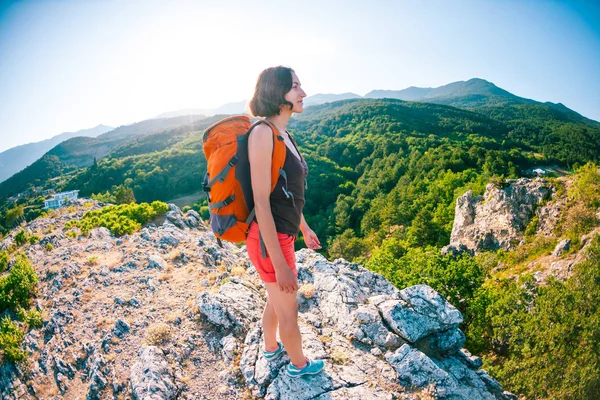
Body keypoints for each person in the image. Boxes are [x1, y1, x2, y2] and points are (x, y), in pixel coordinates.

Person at [246, 66, 325, 378]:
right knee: (289, 311)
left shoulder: (284, 134)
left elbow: (288, 194)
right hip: (269, 241)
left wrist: (303, 228)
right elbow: (261, 201)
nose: (303, 93)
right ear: (278, 94)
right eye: (295, 87)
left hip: (283, 235)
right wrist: (279, 263)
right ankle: (299, 366)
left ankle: (269, 348)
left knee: (276, 303)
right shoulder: (263, 133)